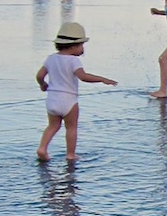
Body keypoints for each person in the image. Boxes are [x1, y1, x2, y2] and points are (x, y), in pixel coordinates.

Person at [35, 21, 117, 162]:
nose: (83, 49)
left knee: (53, 126)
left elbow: (39, 75)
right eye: (81, 46)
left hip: (52, 99)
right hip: (68, 100)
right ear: (73, 47)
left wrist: (43, 84)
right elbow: (83, 77)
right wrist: (103, 79)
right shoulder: (73, 61)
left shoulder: (51, 58)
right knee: (71, 128)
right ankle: (70, 154)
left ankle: (42, 148)